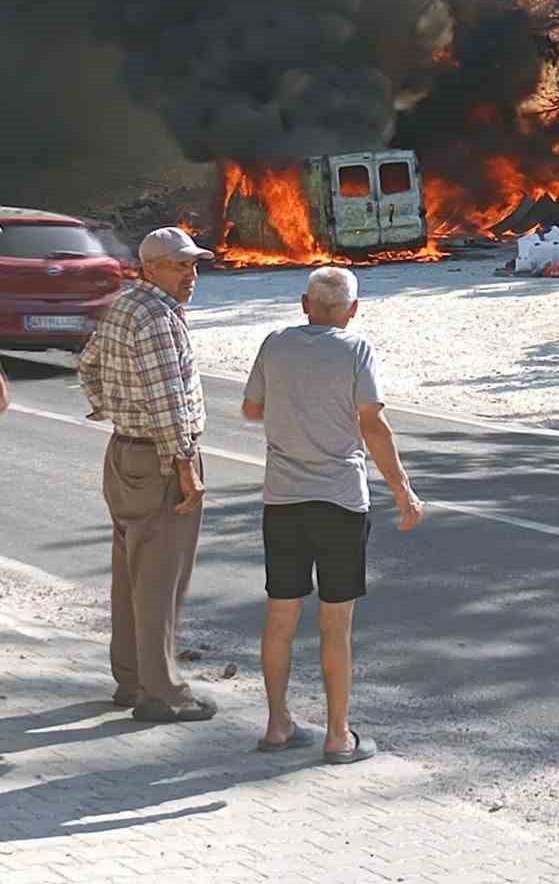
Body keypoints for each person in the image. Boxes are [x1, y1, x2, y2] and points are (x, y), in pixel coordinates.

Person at [242, 264, 424, 762]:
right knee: (335, 623)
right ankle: (338, 735)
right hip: (341, 499)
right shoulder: (356, 349)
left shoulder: (274, 343)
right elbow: (373, 423)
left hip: (282, 498)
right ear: (353, 310)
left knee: (281, 611)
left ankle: (278, 724)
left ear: (305, 304)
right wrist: (402, 489)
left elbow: (251, 409)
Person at [79, 226, 216, 723]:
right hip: (161, 459)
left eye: (194, 265)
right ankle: (162, 693)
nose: (191, 275)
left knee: (130, 574)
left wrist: (112, 409)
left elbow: (88, 366)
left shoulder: (123, 305)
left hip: (124, 452)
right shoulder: (158, 317)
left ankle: (131, 680)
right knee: (161, 578)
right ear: (150, 267)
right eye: (181, 266)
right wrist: (184, 466)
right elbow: (167, 403)